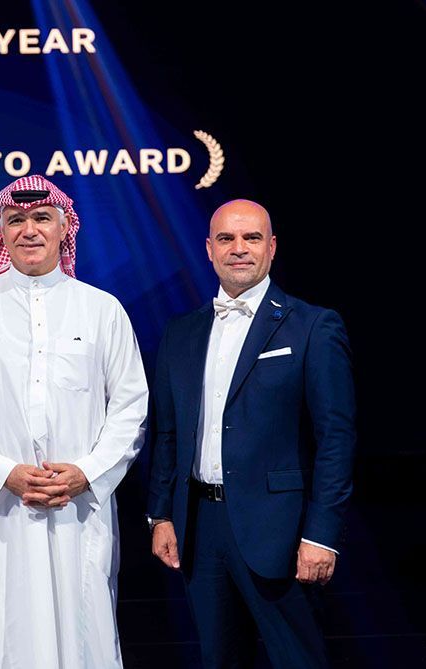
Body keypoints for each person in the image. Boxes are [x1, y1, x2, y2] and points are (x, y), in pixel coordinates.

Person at [0, 175, 148, 668]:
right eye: (16, 220)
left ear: (64, 228)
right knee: (4, 631)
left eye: (42, 218)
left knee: (84, 628)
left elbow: (130, 407)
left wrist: (86, 472)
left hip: (79, 508)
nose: (29, 230)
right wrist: (3, 471)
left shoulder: (101, 309)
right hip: (0, 507)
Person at [147, 199, 356, 668]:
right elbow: (168, 433)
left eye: (251, 238)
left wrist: (322, 535)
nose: (238, 248)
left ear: (272, 247)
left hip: (281, 530)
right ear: (209, 249)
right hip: (200, 530)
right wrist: (160, 514)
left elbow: (336, 440)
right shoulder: (181, 332)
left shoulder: (313, 326)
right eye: (226, 238)